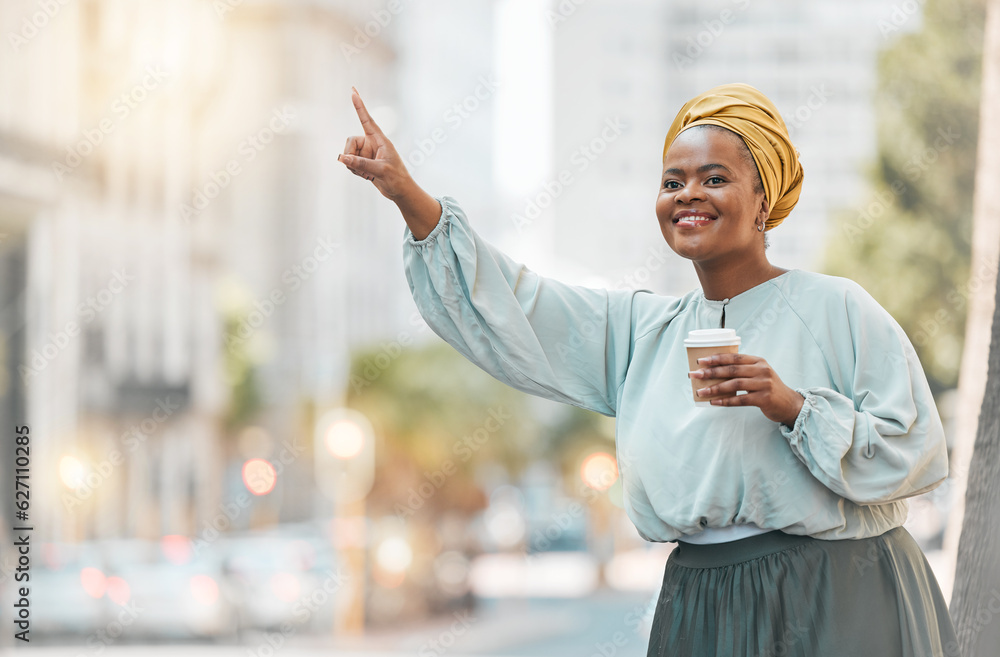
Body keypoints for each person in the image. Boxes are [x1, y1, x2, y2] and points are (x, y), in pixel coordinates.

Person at [337, 82, 959, 656]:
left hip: (840, 590)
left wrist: (792, 407)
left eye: (715, 178)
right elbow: (515, 302)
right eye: (672, 181)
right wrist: (404, 192)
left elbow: (916, 449)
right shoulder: (640, 332)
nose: (688, 194)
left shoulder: (837, 307)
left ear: (763, 199)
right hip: (703, 601)